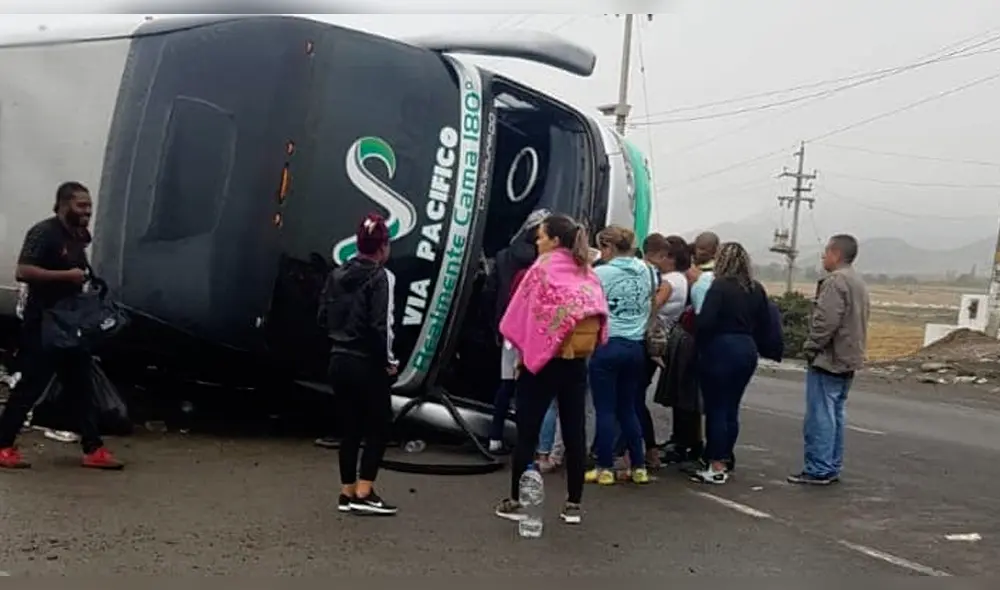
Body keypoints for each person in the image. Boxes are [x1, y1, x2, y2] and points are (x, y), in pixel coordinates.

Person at [494, 214, 608, 525]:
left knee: (528, 431)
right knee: (574, 431)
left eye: (541, 236)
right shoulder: (586, 271)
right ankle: (573, 504)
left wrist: (526, 350)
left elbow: (521, 314)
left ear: (555, 240)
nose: (537, 242)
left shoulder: (541, 270)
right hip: (575, 361)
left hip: (542, 362)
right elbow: (598, 310)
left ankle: (517, 500)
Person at [0, 181, 123, 470]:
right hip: (43, 324)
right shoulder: (44, 233)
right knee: (30, 386)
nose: (87, 211)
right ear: (64, 204)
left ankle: (93, 449)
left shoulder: (79, 235)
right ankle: (4, 445)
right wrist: (66, 276)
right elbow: (23, 271)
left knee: (80, 385)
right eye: (81, 205)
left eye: (89, 206)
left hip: (70, 324)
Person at [318, 213, 399, 515]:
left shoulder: (337, 274)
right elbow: (382, 326)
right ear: (383, 247)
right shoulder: (381, 277)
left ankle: (346, 491)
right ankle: (365, 491)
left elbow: (322, 317)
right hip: (367, 361)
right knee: (379, 425)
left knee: (349, 427)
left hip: (338, 359)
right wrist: (389, 362)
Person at [788, 235, 870, 486]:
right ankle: (831, 464)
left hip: (829, 358)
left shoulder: (836, 282)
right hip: (849, 357)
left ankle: (819, 467)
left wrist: (811, 347)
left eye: (825, 252)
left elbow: (825, 322)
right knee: (835, 413)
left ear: (836, 253)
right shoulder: (857, 281)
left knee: (821, 415)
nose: (823, 257)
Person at [692, 242, 770, 485]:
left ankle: (715, 464)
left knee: (716, 408)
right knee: (731, 408)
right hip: (747, 349)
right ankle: (724, 458)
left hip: (721, 348)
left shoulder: (720, 287)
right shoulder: (756, 289)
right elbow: (765, 323)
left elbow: (705, 322)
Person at [586, 225, 655, 486]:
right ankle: (638, 467)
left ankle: (604, 467)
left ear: (608, 247)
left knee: (605, 410)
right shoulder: (646, 270)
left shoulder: (600, 273)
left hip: (607, 344)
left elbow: (588, 305)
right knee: (628, 408)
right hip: (635, 346)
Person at [487, 220, 540, 454]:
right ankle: (528, 440)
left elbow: (490, 293)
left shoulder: (503, 256)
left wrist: (494, 325)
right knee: (530, 389)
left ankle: (495, 437)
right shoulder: (540, 265)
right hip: (533, 333)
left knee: (505, 384)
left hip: (508, 329)